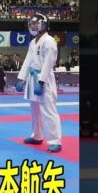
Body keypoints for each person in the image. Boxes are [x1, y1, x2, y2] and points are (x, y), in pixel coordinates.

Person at [15, 13, 62, 153]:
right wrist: (22, 78)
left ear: (43, 24)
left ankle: (55, 141)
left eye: (35, 23)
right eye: (32, 24)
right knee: (34, 110)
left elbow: (49, 62)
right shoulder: (33, 42)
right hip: (32, 77)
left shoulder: (49, 41)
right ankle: (37, 135)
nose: (33, 26)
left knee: (48, 110)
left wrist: (41, 81)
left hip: (44, 78)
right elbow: (28, 61)